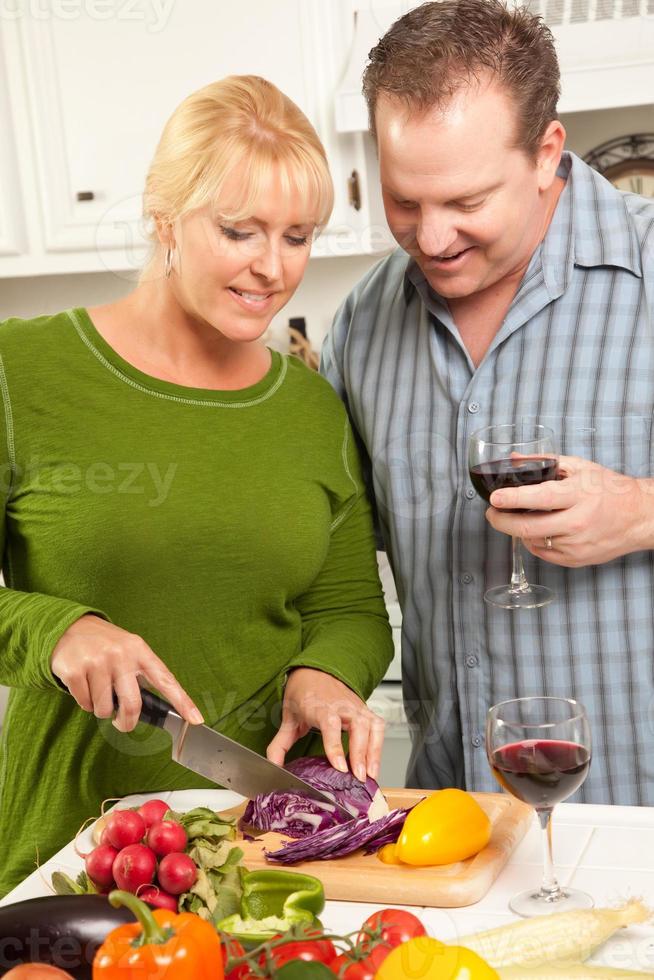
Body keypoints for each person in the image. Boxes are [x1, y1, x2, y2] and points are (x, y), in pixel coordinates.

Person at [0, 75, 393, 896]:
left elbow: (350, 608)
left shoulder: (309, 407)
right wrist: (59, 630)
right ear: (164, 213)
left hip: (269, 853)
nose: (271, 267)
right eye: (239, 229)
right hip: (74, 850)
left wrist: (325, 671)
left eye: (297, 235)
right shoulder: (21, 372)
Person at [322, 0, 654, 805]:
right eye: (405, 201)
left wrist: (643, 511)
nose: (431, 238)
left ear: (547, 154)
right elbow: (330, 557)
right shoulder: (363, 324)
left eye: (466, 203)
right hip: (453, 815)